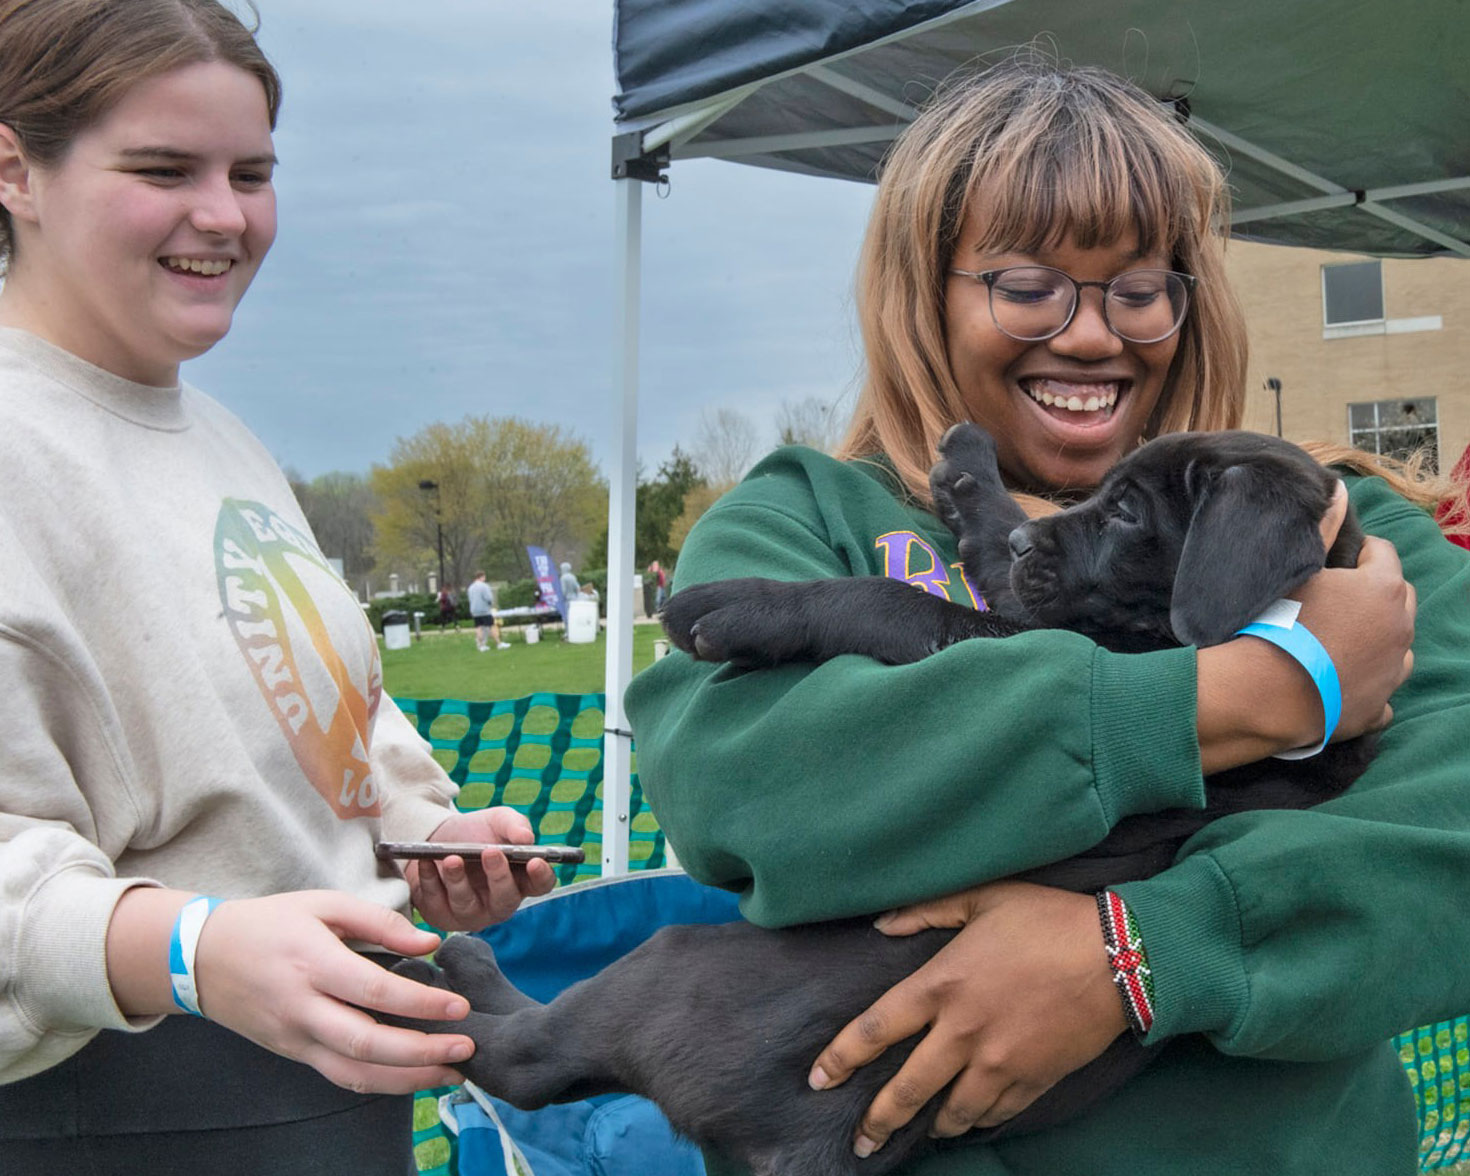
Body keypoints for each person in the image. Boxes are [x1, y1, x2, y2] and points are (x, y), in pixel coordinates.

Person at [626, 58, 1470, 1176]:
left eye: (1139, 288)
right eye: (1027, 285)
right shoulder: (808, 522)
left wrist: (1141, 955)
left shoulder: (1328, 527)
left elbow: (1447, 832)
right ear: (925, 293)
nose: (1088, 334)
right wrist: (1251, 692)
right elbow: (748, 781)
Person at [0, 3, 552, 1172]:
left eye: (252, 172)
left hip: (328, 1097)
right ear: (14, 170)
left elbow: (320, 715)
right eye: (163, 168)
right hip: (117, 1117)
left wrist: (422, 834)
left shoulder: (223, 438)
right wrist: (192, 949)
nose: (224, 214)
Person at [468, 570, 508, 651]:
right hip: (484, 610)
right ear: (482, 577)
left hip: (474, 611)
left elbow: (470, 599)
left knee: (478, 627)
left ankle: (481, 646)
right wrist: (490, 604)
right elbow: (489, 598)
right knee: (492, 626)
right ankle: (499, 643)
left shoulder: (470, 587)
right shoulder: (484, 586)